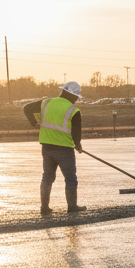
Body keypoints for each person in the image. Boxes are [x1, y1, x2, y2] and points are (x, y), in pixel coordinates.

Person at [24, 81, 87, 216]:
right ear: (72, 96)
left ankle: (44, 208)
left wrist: (33, 123)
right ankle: (72, 206)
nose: (76, 100)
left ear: (63, 91)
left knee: (47, 177)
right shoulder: (73, 111)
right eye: (76, 97)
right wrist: (78, 145)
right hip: (64, 149)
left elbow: (26, 108)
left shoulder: (46, 102)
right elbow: (77, 133)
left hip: (47, 147)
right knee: (70, 178)